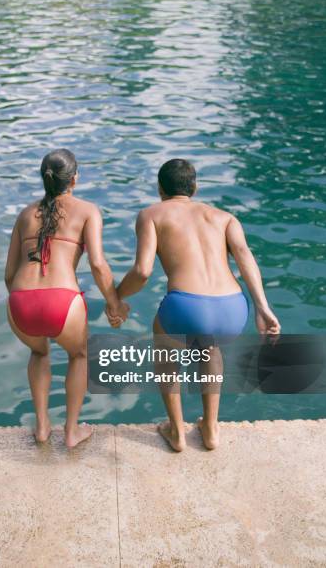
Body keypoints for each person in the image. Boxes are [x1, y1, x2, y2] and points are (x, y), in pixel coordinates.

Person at [109, 158, 280, 452]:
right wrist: (263, 308)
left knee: (164, 349)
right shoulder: (224, 217)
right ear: (195, 187)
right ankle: (211, 429)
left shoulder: (151, 215)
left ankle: (176, 431)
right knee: (209, 347)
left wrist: (117, 296)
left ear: (159, 189)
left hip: (186, 306)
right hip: (233, 308)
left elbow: (143, 271)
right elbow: (245, 256)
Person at [4, 149, 128, 447]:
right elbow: (98, 264)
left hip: (20, 301)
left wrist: (28, 304)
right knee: (79, 355)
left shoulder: (24, 214)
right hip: (62, 300)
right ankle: (72, 431)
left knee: (39, 353)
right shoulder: (87, 210)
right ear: (74, 179)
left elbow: (9, 274)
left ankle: (42, 427)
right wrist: (114, 304)